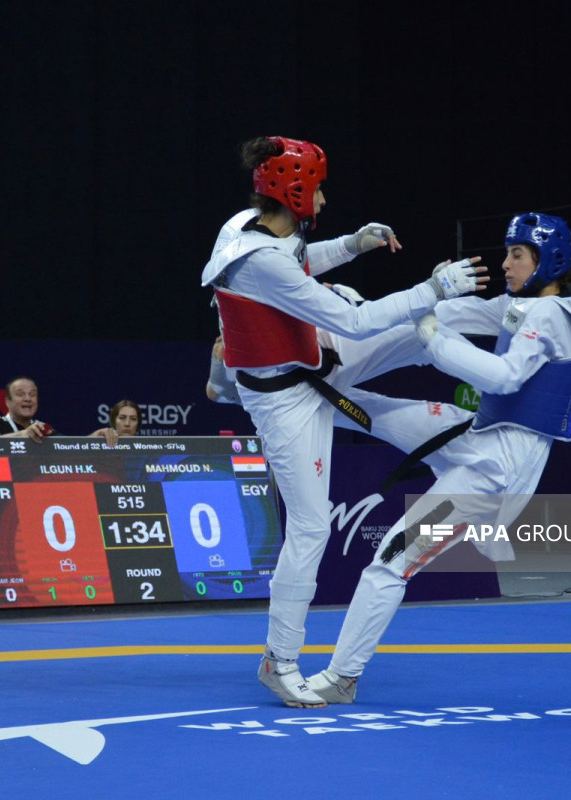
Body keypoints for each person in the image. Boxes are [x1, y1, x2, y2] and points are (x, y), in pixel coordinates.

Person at [201, 135, 485, 708]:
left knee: (419, 328)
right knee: (309, 527)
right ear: (295, 191)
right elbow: (352, 321)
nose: (325, 198)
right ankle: (279, 661)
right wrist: (430, 285)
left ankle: (513, 345)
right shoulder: (256, 262)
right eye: (320, 188)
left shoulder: (254, 225)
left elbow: (301, 260)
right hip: (286, 399)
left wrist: (352, 246)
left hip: (313, 356)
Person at [306, 212, 571, 704]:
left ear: (549, 261)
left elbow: (503, 377)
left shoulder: (551, 317)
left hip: (491, 478)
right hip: (478, 440)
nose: (506, 263)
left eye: (517, 255)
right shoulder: (528, 310)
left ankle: (342, 677)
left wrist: (431, 336)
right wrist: (429, 295)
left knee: (391, 559)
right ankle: (304, 396)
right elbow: (462, 317)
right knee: (381, 413)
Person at [0, 376, 54, 441]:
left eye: (32, 394)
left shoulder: (40, 427)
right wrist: (24, 434)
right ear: (7, 401)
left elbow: (64, 446)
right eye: (20, 394)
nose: (27, 398)